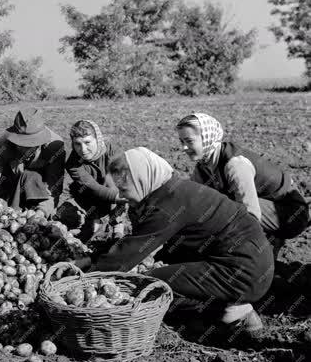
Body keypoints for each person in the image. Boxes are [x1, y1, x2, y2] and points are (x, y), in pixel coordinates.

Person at [83, 147, 273, 332]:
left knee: (151, 284)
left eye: (124, 189)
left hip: (244, 271)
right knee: (166, 266)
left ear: (141, 179)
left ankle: (228, 310)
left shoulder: (166, 205)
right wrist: (91, 260)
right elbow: (135, 241)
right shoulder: (169, 189)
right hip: (246, 259)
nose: (122, 196)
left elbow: (128, 253)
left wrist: (86, 277)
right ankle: (225, 303)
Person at [176, 113, 309, 254]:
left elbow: (251, 215)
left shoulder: (235, 165)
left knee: (228, 208)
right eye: (181, 142)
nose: (184, 148)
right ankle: (270, 240)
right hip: (267, 212)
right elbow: (195, 203)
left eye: (189, 141)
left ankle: (261, 250)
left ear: (207, 138)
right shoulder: (203, 167)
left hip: (291, 214)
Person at [0, 108, 65, 216]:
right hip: (8, 187)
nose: (26, 148)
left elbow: (53, 187)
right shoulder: (3, 145)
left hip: (40, 193)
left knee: (32, 176)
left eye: (31, 144)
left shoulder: (54, 146)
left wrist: (42, 212)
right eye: (22, 144)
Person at [65, 120, 126, 240]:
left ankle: (118, 222)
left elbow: (122, 180)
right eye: (77, 144)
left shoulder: (112, 151)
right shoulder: (73, 164)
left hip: (115, 196)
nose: (83, 149)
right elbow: (95, 189)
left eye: (87, 142)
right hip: (90, 198)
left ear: (97, 139)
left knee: (116, 183)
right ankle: (94, 220)